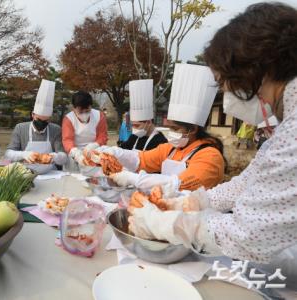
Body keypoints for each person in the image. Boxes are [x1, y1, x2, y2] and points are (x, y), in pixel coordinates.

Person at [126, 2, 297, 289]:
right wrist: (191, 203)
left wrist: (168, 223)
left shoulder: (213, 152)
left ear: (256, 70)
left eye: (223, 82)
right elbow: (248, 183)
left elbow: (249, 233)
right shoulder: (282, 133)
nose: (226, 92)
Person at [100, 63, 225, 192]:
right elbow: (141, 160)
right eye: (169, 128)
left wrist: (135, 179)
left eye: (175, 129)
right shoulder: (170, 149)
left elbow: (180, 184)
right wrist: (113, 153)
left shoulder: (210, 156)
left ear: (193, 129)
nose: (171, 133)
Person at [4, 79, 67, 172]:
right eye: (39, 119)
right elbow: (8, 154)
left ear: (50, 119)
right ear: (33, 115)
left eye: (46, 120)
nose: (42, 123)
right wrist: (24, 154)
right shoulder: (20, 128)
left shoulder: (56, 129)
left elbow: (64, 158)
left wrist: (53, 156)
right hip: (25, 172)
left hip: (50, 173)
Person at [62, 91, 108, 167]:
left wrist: (94, 145)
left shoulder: (99, 116)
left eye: (87, 111)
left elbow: (102, 136)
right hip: (75, 155)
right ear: (74, 108)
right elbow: (67, 140)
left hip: (95, 152)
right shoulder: (68, 119)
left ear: (91, 106)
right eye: (80, 112)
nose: (84, 114)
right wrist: (76, 153)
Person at [119, 80, 168, 151]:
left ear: (148, 122)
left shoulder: (160, 141)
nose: (134, 129)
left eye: (137, 125)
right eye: (132, 125)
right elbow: (123, 148)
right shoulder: (135, 136)